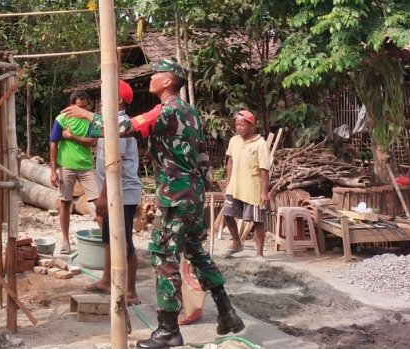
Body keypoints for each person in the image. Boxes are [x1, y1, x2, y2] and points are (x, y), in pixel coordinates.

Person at [65, 59, 243, 349]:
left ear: (168, 82)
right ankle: (227, 313)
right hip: (193, 194)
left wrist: (87, 117)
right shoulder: (191, 113)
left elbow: (126, 126)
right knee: (196, 251)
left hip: (175, 196)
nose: (150, 78)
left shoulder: (167, 111)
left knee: (163, 255)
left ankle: (167, 330)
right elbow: (203, 157)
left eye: (155, 75)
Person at [80, 80, 141, 304]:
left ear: (119, 100)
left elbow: (115, 162)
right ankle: (107, 280)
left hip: (123, 193)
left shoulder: (122, 126)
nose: (102, 100)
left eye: (107, 95)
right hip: (113, 191)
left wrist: (103, 197)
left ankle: (132, 291)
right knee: (109, 237)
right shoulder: (110, 123)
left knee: (124, 242)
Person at [49, 90, 99, 255]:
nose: (82, 110)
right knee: (65, 204)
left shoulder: (90, 120)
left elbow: (92, 142)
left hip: (86, 166)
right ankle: (65, 241)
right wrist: (53, 171)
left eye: (85, 107)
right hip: (66, 166)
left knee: (99, 203)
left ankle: (106, 238)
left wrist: (71, 137)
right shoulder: (61, 119)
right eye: (79, 107)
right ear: (71, 105)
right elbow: (53, 144)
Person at [221, 109, 270, 258]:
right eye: (237, 125)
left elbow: (264, 170)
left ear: (251, 126)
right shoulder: (234, 141)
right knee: (227, 214)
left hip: (253, 189)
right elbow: (230, 161)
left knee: (257, 221)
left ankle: (259, 254)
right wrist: (228, 182)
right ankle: (237, 242)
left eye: (242, 125)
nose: (239, 127)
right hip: (235, 186)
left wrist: (263, 192)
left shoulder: (260, 144)